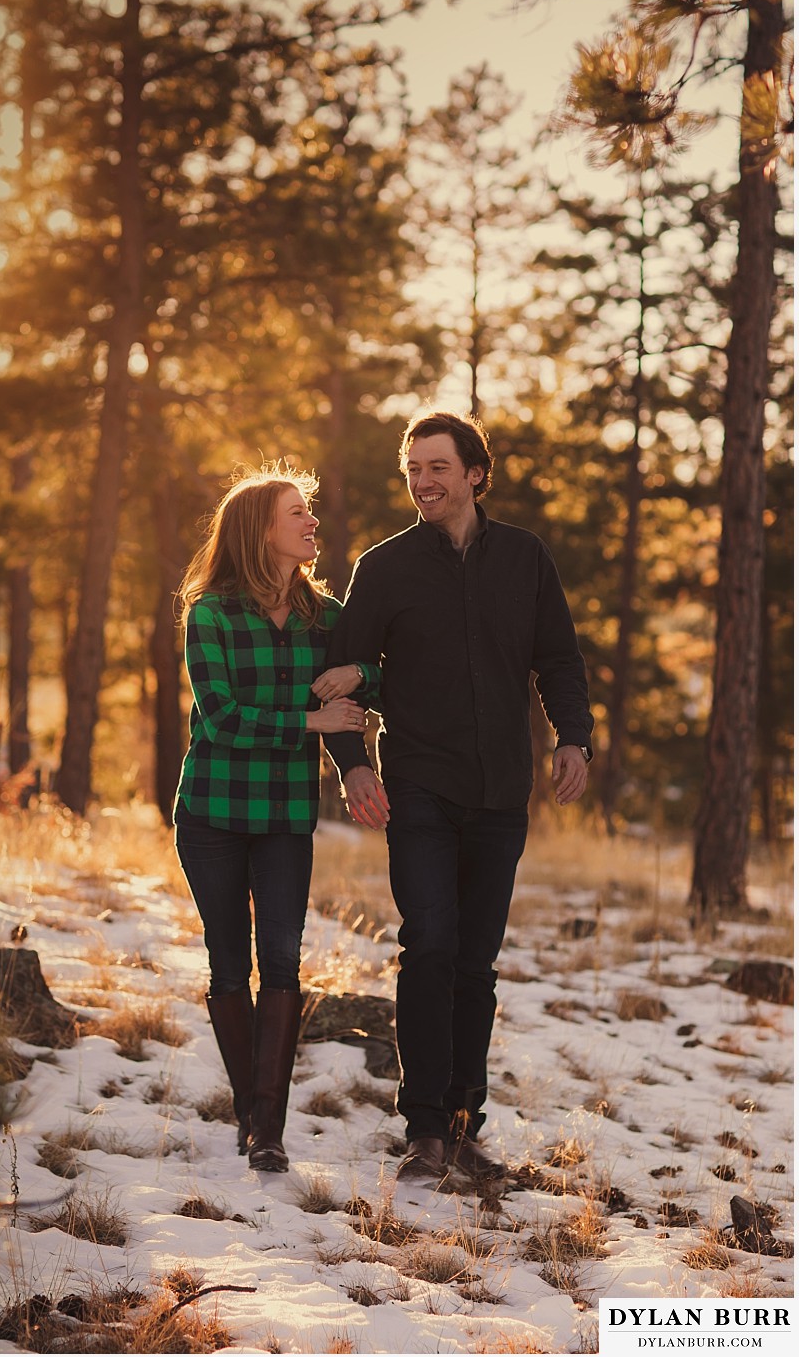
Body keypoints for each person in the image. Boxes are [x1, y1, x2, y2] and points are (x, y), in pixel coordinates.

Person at [326, 411, 594, 1184]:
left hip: (503, 794)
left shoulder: (525, 558)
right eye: (412, 469)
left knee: (476, 961)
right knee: (431, 943)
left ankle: (464, 1125)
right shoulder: (383, 568)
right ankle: (423, 1131)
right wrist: (353, 766)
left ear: (475, 473)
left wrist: (571, 736)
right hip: (420, 787)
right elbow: (343, 673)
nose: (422, 481)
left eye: (437, 466)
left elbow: (559, 659)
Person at [174, 463, 374, 1174]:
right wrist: (311, 717)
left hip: (287, 813)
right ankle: (249, 1111)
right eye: (297, 513)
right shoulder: (210, 614)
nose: (311, 522)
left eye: (309, 512)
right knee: (229, 963)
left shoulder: (325, 615)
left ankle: (268, 1129)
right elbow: (220, 716)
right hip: (214, 813)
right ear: (261, 529)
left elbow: (372, 665)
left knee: (283, 960)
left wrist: (358, 681)